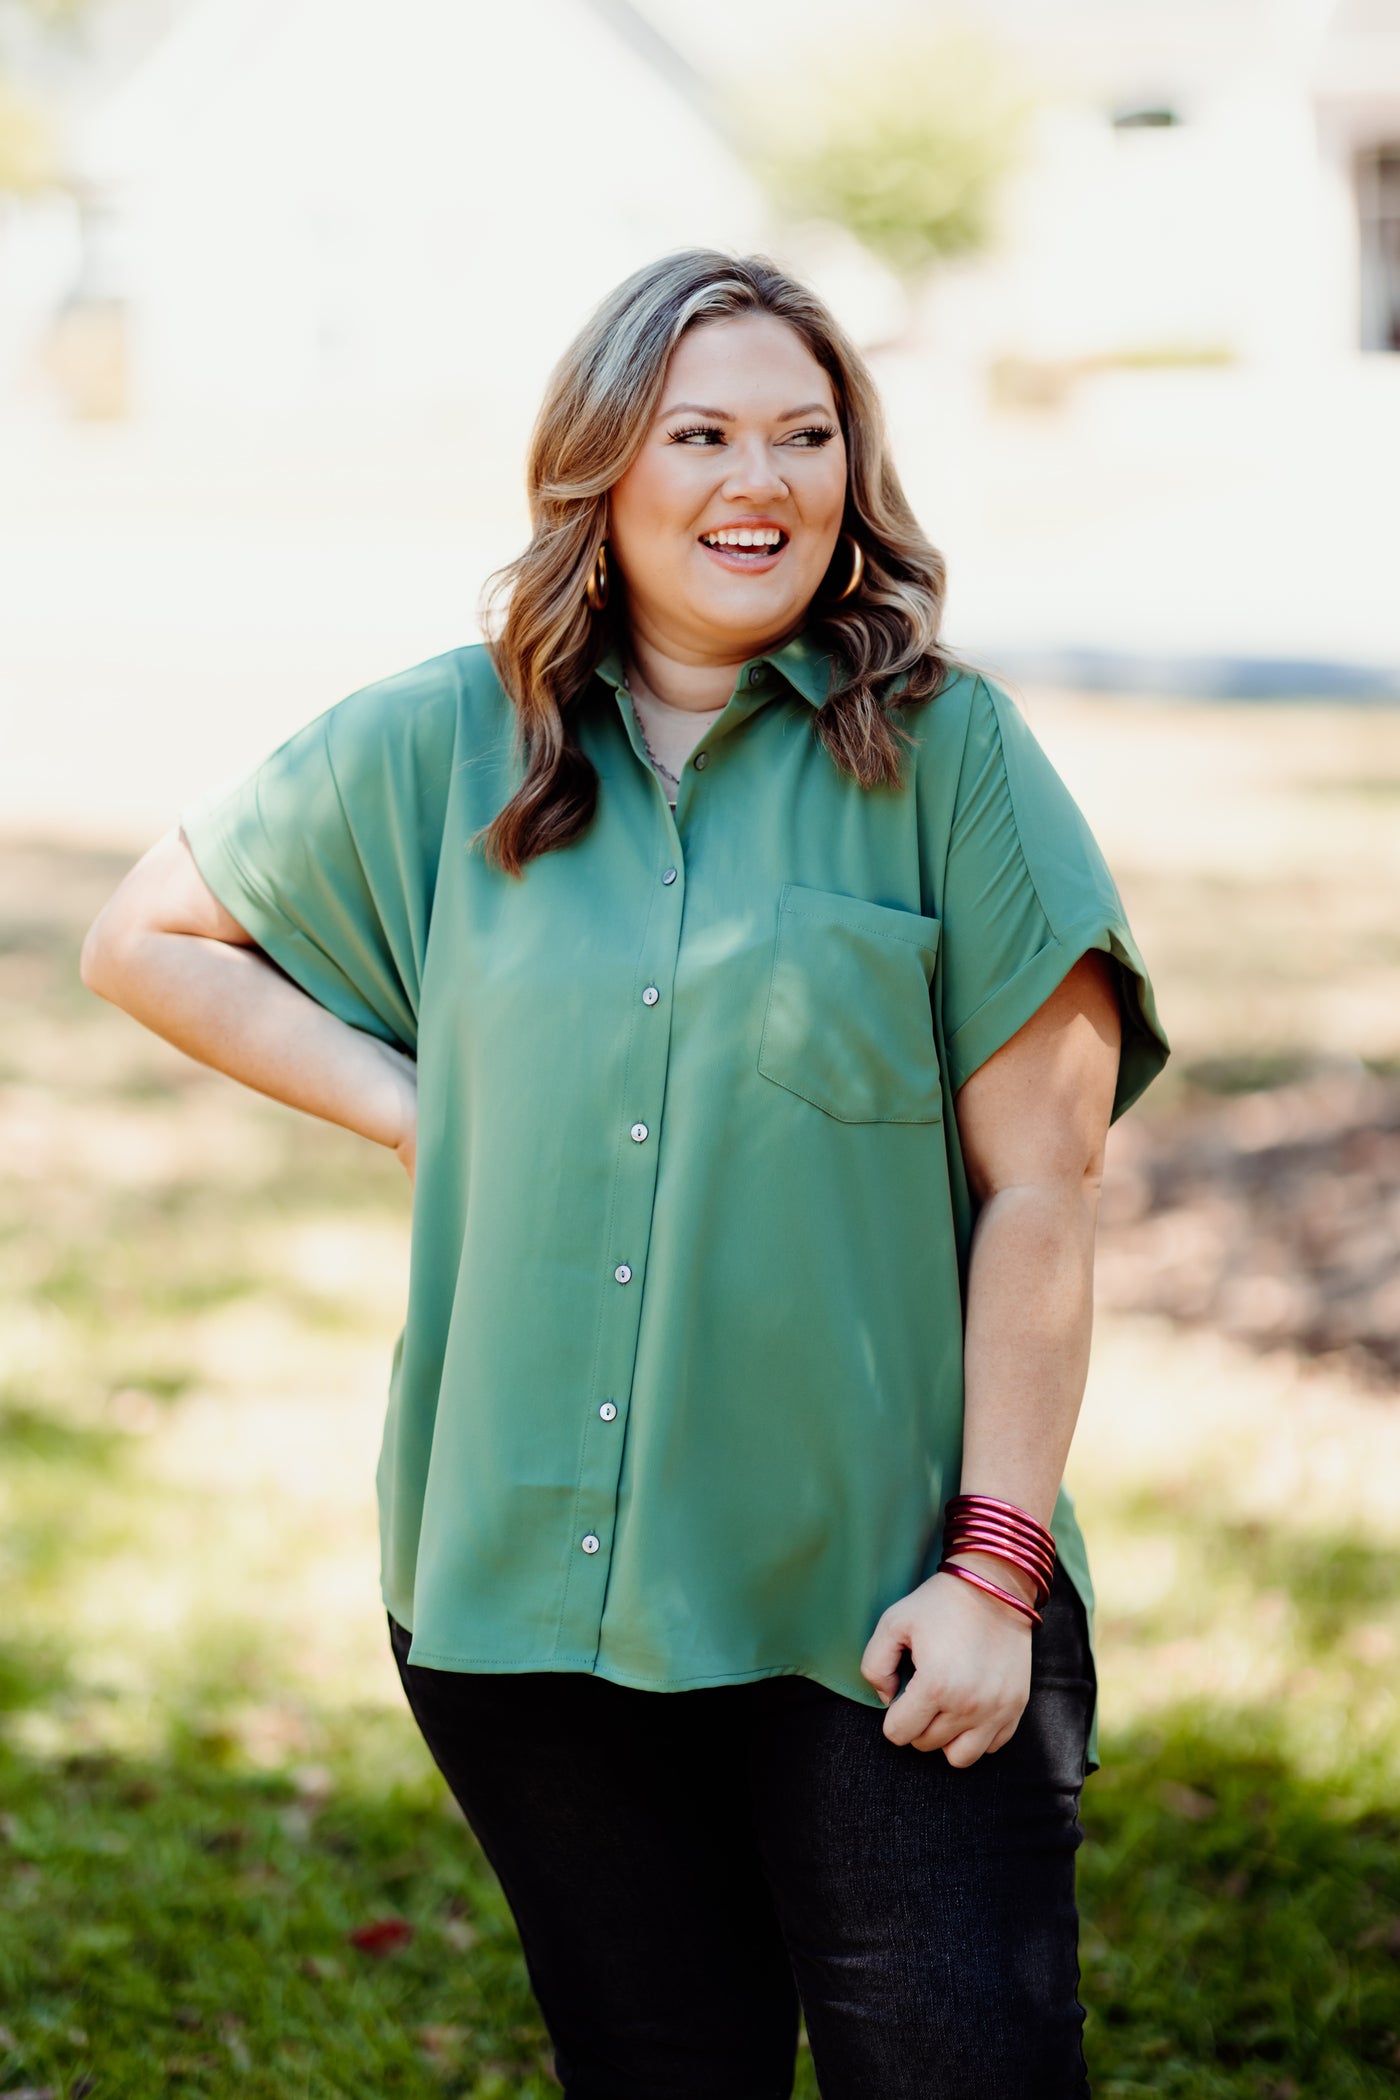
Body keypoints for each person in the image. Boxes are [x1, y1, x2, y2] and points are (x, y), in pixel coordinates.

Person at [80, 249, 1169, 2100]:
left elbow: (1047, 1192)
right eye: (709, 433)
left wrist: (992, 1568)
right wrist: (428, 1111)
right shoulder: (449, 740)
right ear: (603, 467)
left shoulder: (948, 756)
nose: (766, 481)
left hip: (886, 1611)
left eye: (810, 436)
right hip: (523, 1607)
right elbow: (148, 940)